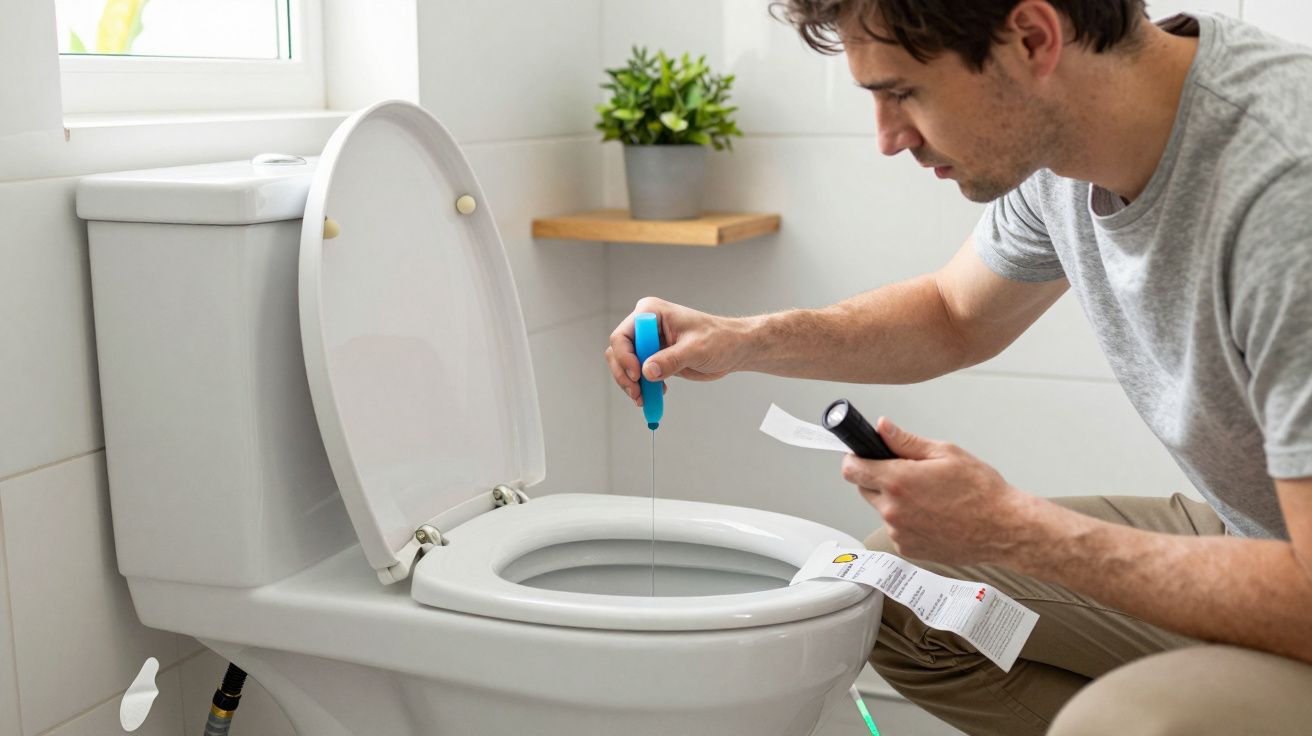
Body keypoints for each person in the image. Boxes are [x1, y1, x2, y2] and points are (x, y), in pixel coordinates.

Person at [603, 2, 1312, 734]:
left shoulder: (1286, 188)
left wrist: (1013, 529)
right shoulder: (1069, 143)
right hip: (1258, 536)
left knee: (1112, 722)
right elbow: (953, 314)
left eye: (902, 92)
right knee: (895, 591)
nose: (887, 138)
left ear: (1032, 40)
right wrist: (741, 338)